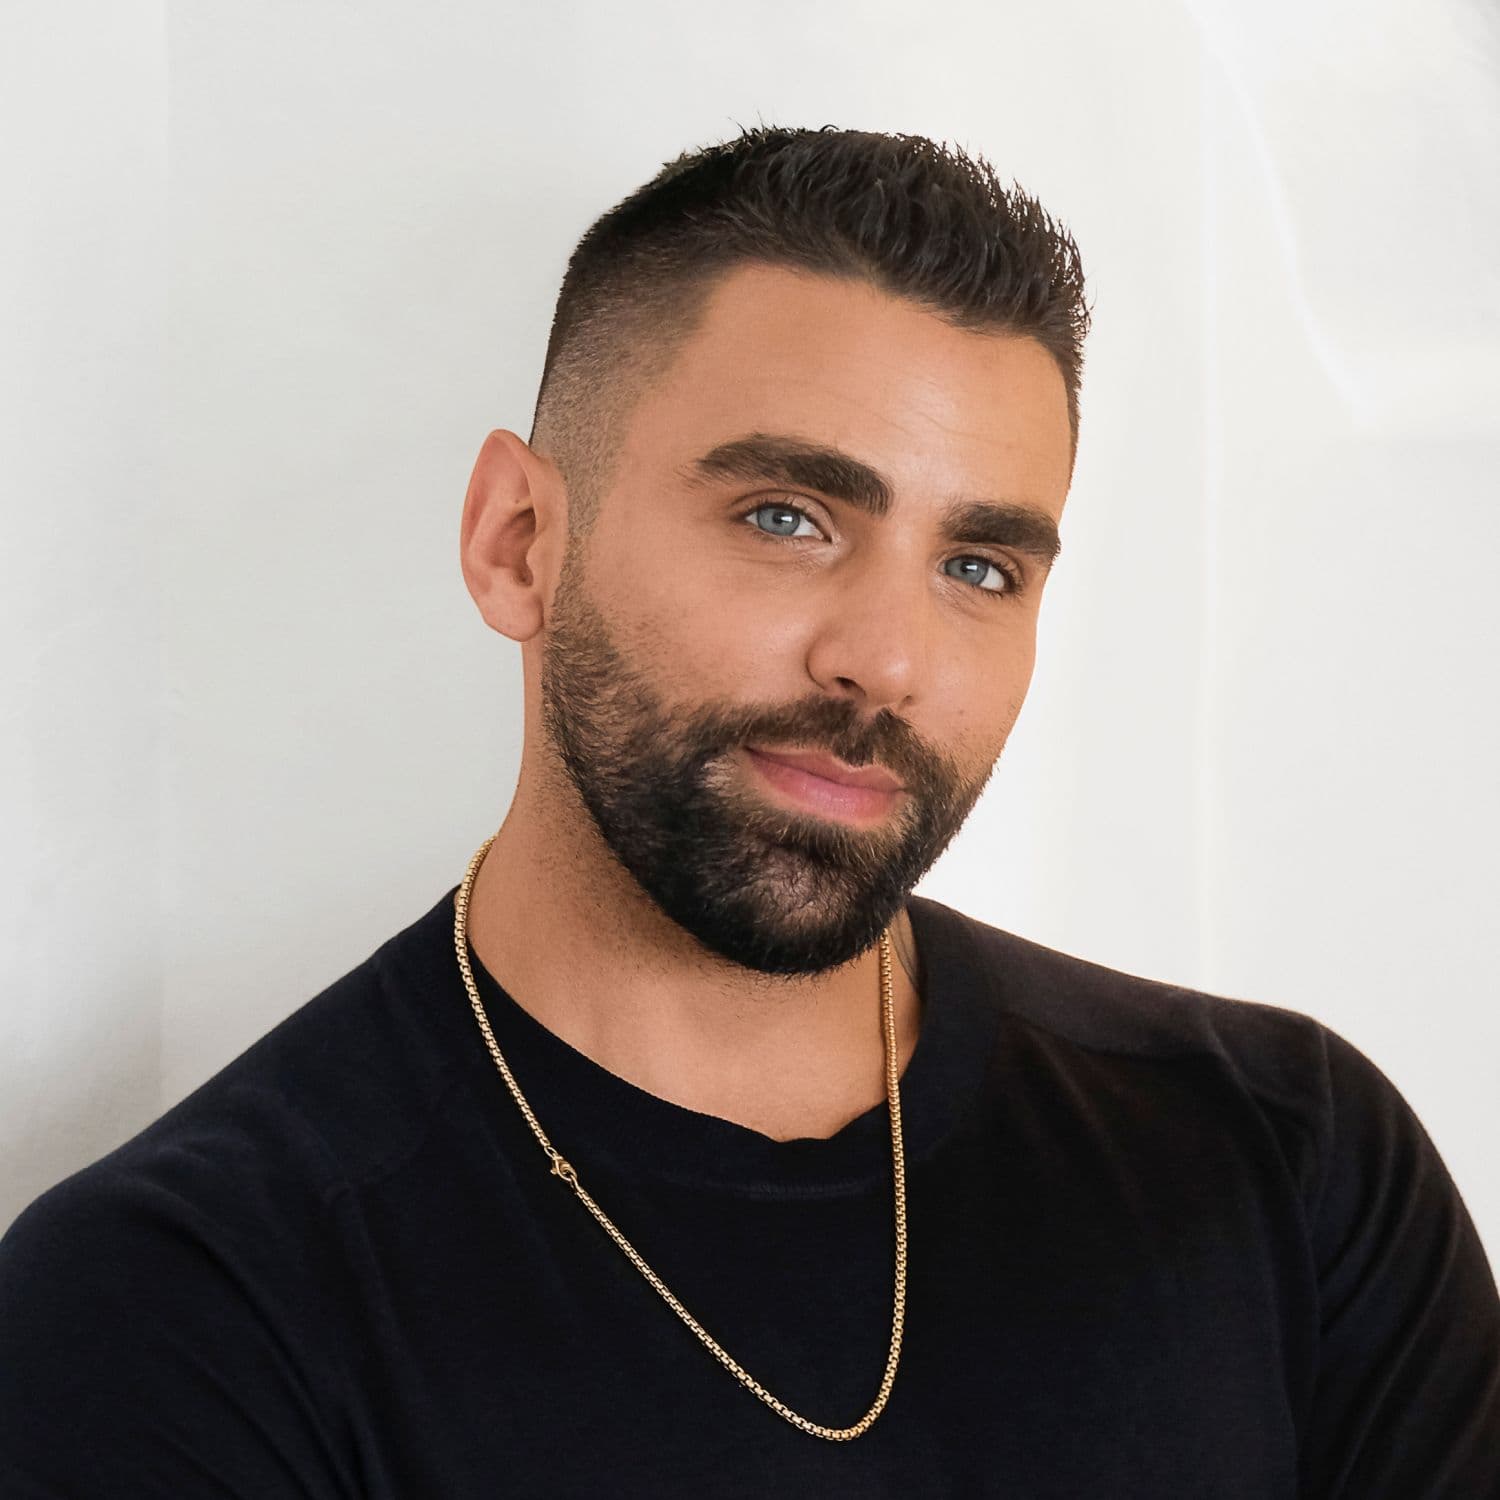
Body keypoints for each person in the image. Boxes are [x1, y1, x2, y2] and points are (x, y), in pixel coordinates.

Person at [1, 125, 1496, 1498]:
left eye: (980, 568)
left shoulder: (1285, 1164)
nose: (887, 659)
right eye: (788, 519)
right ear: (519, 541)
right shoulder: (183, 1303)